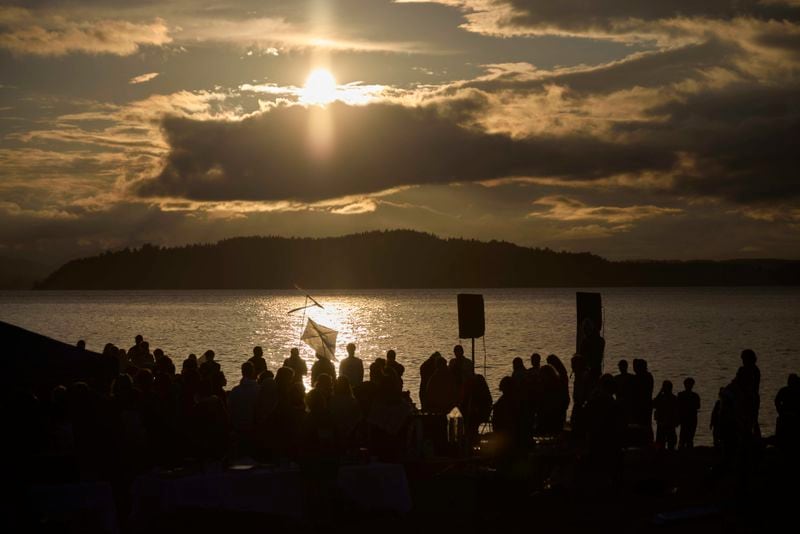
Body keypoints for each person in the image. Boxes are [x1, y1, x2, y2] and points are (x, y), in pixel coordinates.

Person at [228, 361, 261, 454]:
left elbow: (230, 410)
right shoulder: (259, 390)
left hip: (238, 428)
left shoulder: (235, 391)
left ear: (242, 372)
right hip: (253, 429)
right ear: (253, 372)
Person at [774, 373, 800, 451]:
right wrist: (781, 411)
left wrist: (780, 411)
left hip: (790, 415)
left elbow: (776, 401)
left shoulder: (784, 390)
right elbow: (777, 401)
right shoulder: (785, 391)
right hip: (788, 415)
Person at [653, 380, 679, 451]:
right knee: (661, 442)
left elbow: (676, 411)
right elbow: (654, 404)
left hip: (669, 423)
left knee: (670, 442)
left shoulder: (673, 398)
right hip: (662, 423)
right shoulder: (663, 397)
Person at [677, 377, 700, 449]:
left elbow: (697, 406)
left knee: (687, 437)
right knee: (686, 437)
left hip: (689, 418)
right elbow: (697, 406)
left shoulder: (681, 395)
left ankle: (685, 451)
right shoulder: (694, 396)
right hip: (688, 418)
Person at [614, 359, 636, 424]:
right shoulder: (632, 377)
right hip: (626, 404)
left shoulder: (616, 378)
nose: (621, 368)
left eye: (621, 366)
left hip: (626, 403)